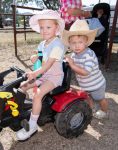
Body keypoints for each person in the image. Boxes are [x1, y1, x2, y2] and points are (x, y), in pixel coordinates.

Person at [16, 9, 65, 140]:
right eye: (42, 27)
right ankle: (24, 112)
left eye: (48, 27)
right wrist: (34, 57)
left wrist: (34, 73)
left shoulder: (58, 44)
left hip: (54, 77)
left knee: (37, 95)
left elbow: (48, 65)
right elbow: (40, 56)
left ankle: (32, 125)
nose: (44, 30)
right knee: (22, 87)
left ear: (56, 27)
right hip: (43, 75)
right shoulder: (42, 43)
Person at [62, 19, 108, 119]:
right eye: (73, 43)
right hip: (85, 85)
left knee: (100, 99)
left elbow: (85, 72)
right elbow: (71, 62)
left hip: (96, 85)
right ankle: (91, 110)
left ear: (86, 42)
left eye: (80, 42)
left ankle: (104, 111)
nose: (77, 45)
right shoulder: (74, 54)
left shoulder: (89, 54)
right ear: (69, 44)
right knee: (88, 97)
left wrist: (72, 65)